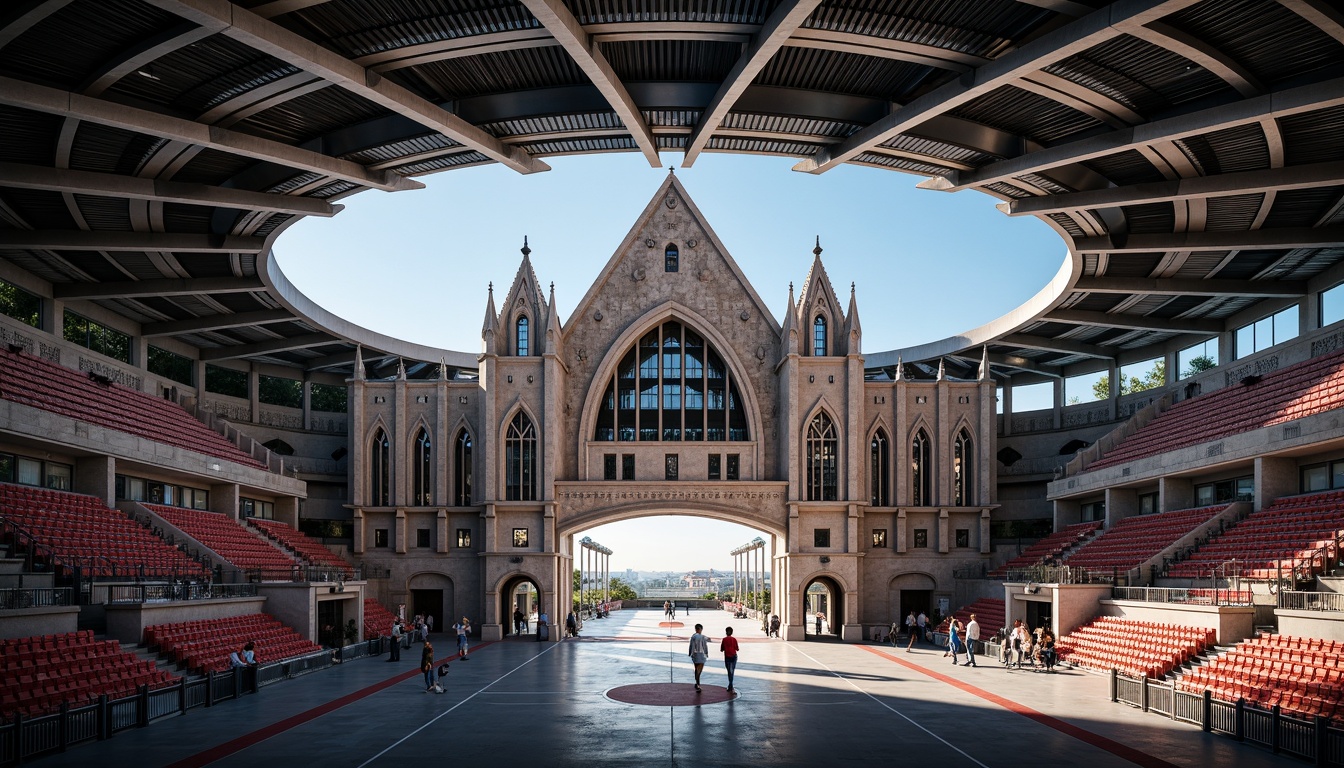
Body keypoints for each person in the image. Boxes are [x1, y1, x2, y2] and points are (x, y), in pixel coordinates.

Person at [688, 623, 709, 692]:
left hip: (695, 654)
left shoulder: (693, 637)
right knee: (699, 669)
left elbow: (691, 646)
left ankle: (697, 682)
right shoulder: (702, 637)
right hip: (701, 654)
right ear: (700, 629)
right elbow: (705, 646)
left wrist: (690, 653)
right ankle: (697, 683)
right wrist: (706, 653)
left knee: (696, 668)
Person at [720, 626, 739, 692]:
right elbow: (737, 648)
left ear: (726, 632)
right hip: (734, 656)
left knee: (729, 671)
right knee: (732, 671)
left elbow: (722, 649)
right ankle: (730, 685)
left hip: (727, 656)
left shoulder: (724, 639)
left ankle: (730, 685)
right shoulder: (734, 639)